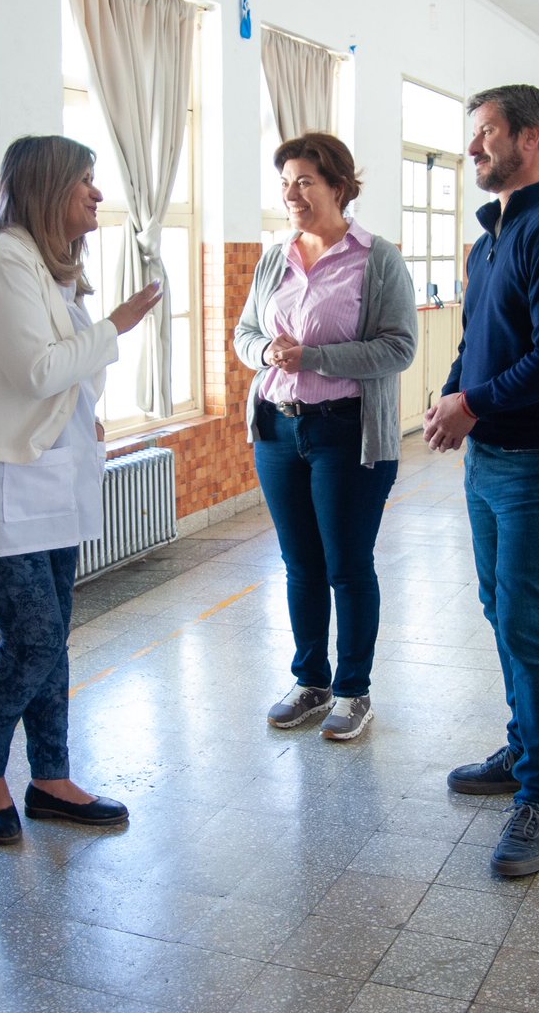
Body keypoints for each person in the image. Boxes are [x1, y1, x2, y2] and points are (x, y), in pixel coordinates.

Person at [0, 135, 161, 845]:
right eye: (84, 181)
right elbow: (34, 370)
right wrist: (117, 326)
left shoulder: (49, 268)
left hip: (48, 479)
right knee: (32, 637)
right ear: (46, 188)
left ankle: (51, 777)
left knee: (51, 638)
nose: (96, 194)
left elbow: (61, 373)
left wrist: (88, 409)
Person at [424, 85, 539, 876]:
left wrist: (472, 402)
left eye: (485, 134)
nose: (473, 148)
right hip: (492, 454)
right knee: (501, 608)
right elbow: (481, 339)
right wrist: (451, 389)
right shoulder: (491, 236)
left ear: (530, 137)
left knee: (527, 622)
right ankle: (522, 748)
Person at [235, 132, 417, 741]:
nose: (291, 193)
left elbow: (398, 347)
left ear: (339, 186)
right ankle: (310, 680)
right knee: (299, 564)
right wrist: (268, 350)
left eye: (304, 181)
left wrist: (313, 356)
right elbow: (244, 336)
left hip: (347, 434)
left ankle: (353, 689)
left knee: (346, 564)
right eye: (285, 182)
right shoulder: (274, 257)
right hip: (278, 431)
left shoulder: (377, 258)